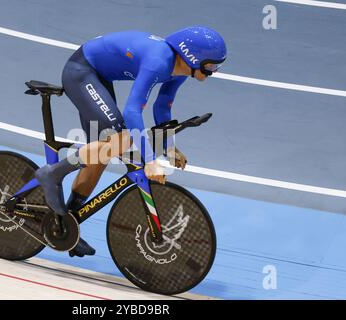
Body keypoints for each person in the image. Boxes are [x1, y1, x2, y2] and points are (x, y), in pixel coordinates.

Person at [35, 25, 227, 257]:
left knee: (102, 155)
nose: (213, 71)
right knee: (122, 139)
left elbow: (162, 107)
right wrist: (149, 160)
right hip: (81, 72)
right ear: (192, 57)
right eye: (211, 66)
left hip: (98, 77)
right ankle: (52, 173)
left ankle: (67, 225)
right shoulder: (159, 61)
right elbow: (133, 112)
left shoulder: (180, 68)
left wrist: (169, 147)